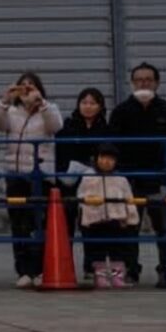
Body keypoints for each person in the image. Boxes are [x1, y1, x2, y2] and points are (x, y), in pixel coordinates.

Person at [109, 63, 166, 291]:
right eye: (139, 79)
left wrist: (164, 166)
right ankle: (130, 272)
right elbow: (113, 142)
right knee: (127, 229)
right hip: (129, 180)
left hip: (159, 179)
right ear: (132, 83)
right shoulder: (121, 112)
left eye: (149, 79)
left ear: (157, 82)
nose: (144, 83)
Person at [0, 71, 62, 288]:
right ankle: (23, 270)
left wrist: (41, 104)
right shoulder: (11, 112)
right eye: (23, 86)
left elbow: (56, 126)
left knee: (39, 224)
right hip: (15, 174)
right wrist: (4, 100)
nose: (27, 90)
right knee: (19, 224)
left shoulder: (49, 109)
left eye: (31, 86)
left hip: (41, 174)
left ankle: (40, 269)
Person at [56, 88, 121, 279]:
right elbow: (60, 153)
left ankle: (91, 268)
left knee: (94, 225)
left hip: (96, 184)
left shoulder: (106, 128)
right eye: (84, 102)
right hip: (70, 183)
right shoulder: (67, 126)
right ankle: (64, 267)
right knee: (66, 225)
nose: (88, 106)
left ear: (100, 106)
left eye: (93, 103)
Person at [76, 142, 139, 289]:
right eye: (103, 158)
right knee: (97, 250)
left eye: (111, 159)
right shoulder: (88, 177)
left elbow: (129, 199)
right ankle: (101, 277)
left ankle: (118, 277)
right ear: (96, 158)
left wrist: (131, 218)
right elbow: (81, 197)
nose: (106, 162)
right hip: (95, 220)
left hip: (116, 220)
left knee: (117, 250)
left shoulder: (121, 179)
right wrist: (85, 219)